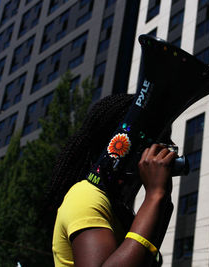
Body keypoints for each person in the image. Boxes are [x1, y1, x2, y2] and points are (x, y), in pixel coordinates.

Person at [48, 94, 177, 267]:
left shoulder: (119, 209)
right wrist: (154, 196)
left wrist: (162, 202)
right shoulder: (85, 198)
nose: (166, 154)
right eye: (158, 143)